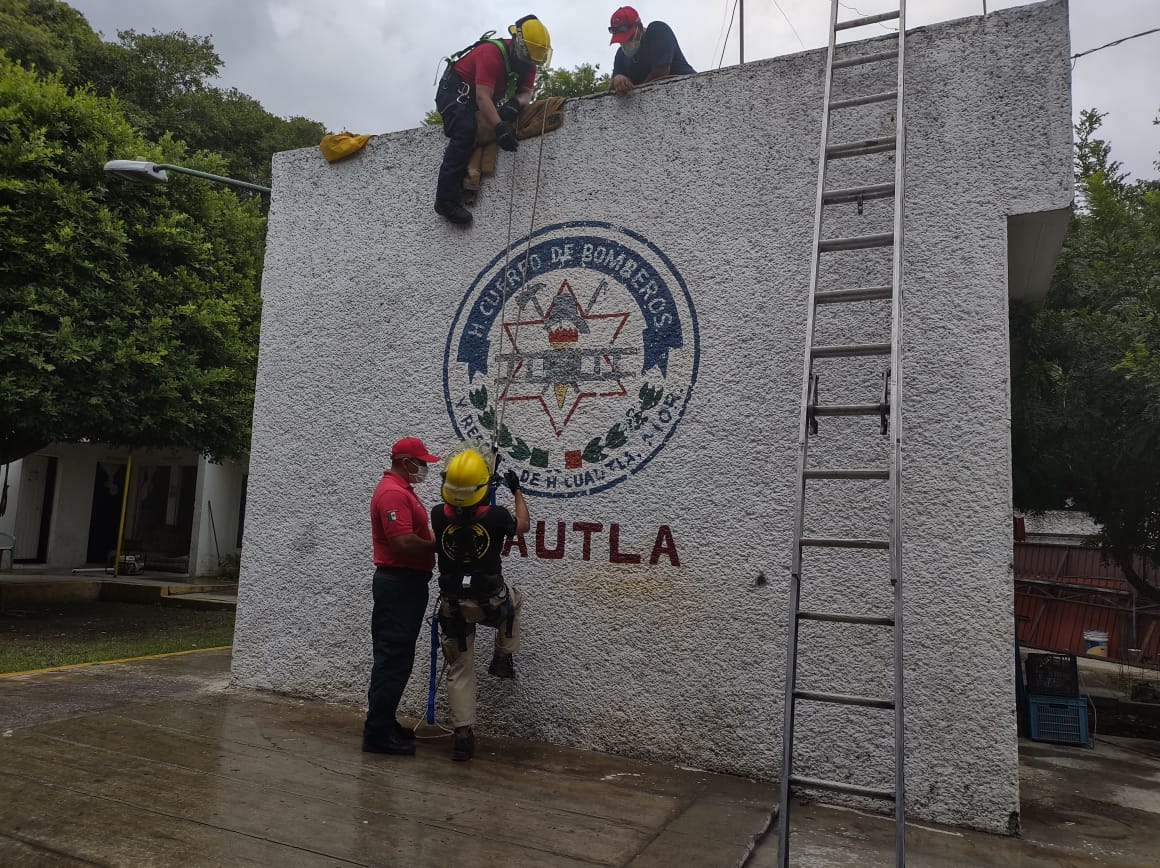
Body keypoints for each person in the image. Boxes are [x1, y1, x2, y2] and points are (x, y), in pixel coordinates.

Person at [430, 448, 530, 761]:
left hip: (454, 606)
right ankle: (503, 655)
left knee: (460, 669)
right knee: (515, 598)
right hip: (490, 601)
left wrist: (485, 485)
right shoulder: (497, 517)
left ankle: (462, 734)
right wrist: (514, 490)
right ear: (481, 490)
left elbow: (464, 511)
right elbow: (522, 525)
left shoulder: (436, 514)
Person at [362, 436, 441, 756]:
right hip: (399, 584)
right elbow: (403, 543)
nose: (423, 468)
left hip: (406, 584)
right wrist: (439, 544)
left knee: (397, 658)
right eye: (420, 463)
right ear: (405, 461)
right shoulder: (393, 493)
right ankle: (377, 733)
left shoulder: (403, 491)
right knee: (392, 658)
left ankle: (383, 721)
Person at [433, 15, 552, 226]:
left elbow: (526, 92)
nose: (528, 65)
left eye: (532, 62)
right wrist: (499, 129)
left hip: (478, 99)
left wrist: (516, 103)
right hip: (455, 95)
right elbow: (483, 97)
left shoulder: (529, 60)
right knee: (465, 132)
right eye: (526, 59)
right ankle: (446, 201)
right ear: (517, 43)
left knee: (505, 121)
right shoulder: (491, 54)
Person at [607, 6, 695, 96]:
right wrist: (617, 80)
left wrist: (636, 93)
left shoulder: (657, 30)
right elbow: (613, 89)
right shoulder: (621, 55)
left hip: (689, 90)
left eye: (628, 38)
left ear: (640, 27)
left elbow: (661, 72)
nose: (624, 43)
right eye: (621, 41)